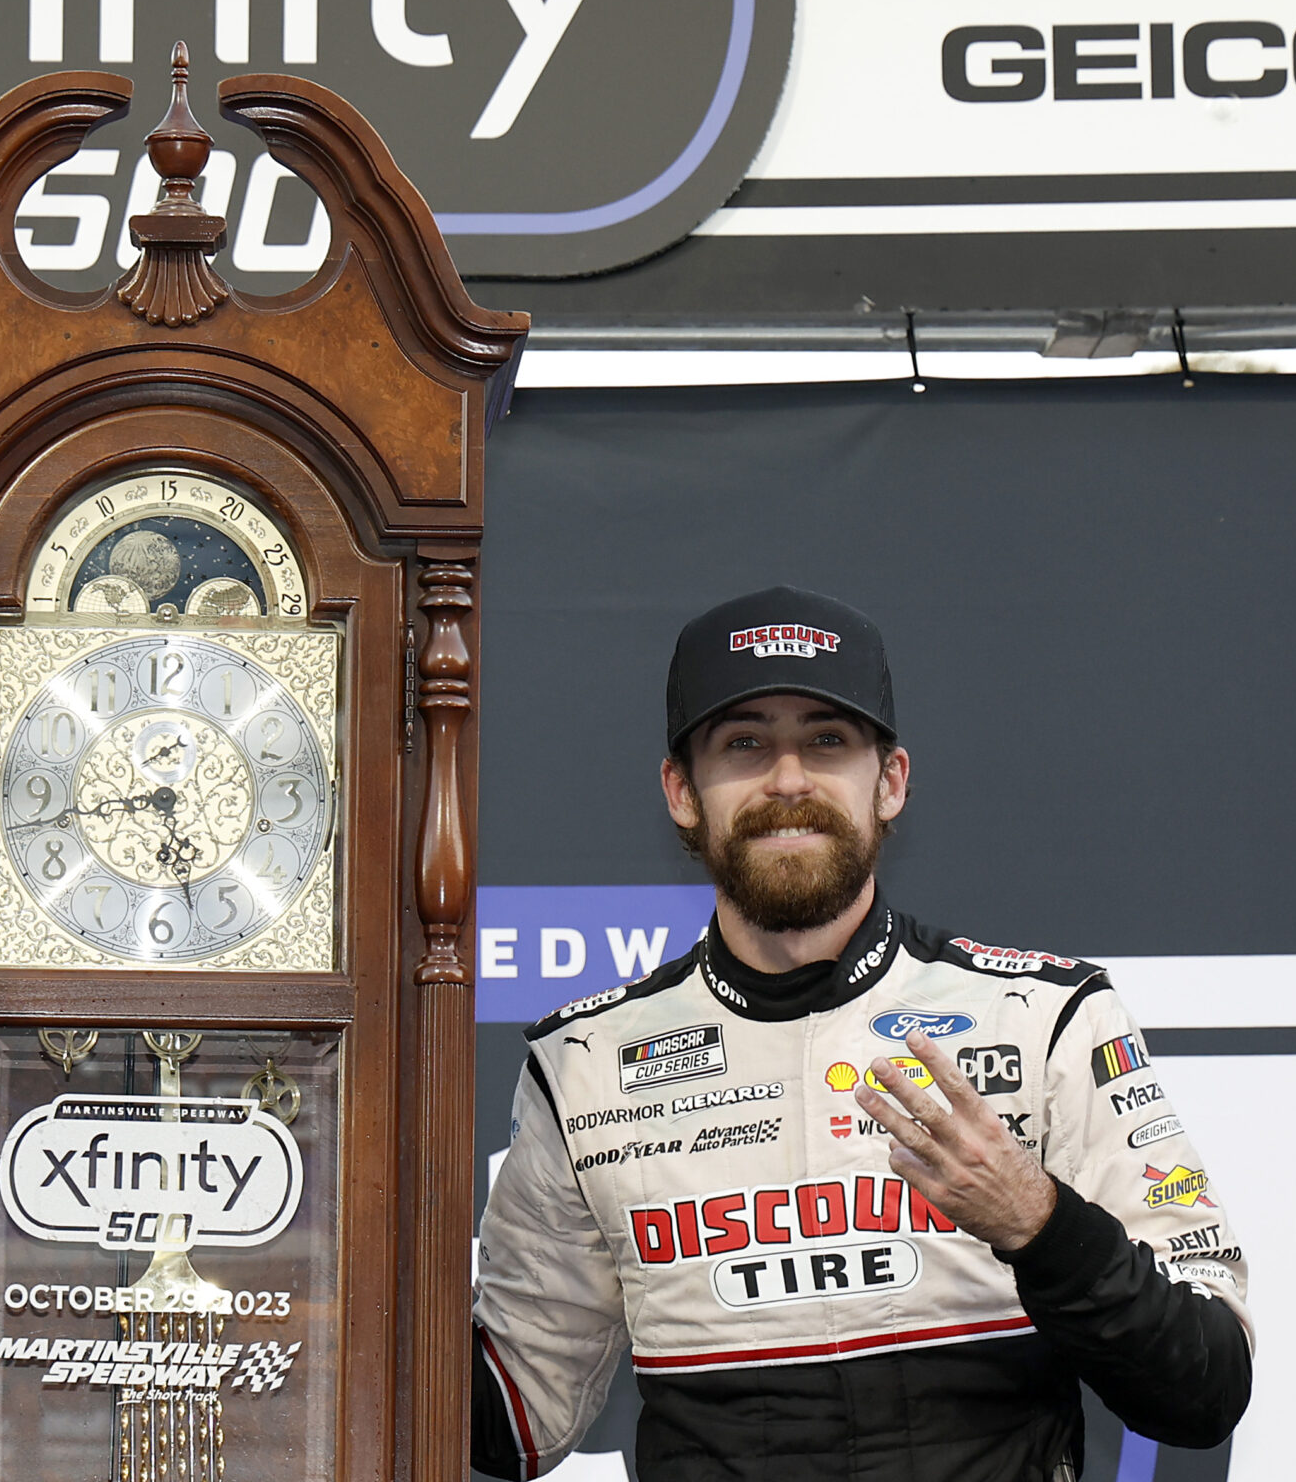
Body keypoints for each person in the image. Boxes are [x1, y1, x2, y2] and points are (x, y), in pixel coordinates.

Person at [471, 586, 1250, 1482]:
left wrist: (1038, 1224)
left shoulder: (1046, 1021)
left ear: (890, 783)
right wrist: (312, 1265)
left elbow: (1204, 1390)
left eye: (828, 742)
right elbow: (513, 1419)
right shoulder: (585, 1067)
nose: (789, 779)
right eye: (746, 743)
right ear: (682, 792)